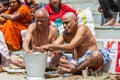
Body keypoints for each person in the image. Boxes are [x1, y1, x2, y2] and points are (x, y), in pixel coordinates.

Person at [34, 12, 111, 74]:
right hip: (75, 62)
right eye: (63, 23)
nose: (64, 26)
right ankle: (76, 69)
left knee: (96, 55)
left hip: (89, 61)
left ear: (76, 21)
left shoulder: (83, 28)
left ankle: (75, 70)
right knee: (54, 56)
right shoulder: (64, 34)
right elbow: (54, 46)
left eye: (67, 23)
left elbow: (71, 46)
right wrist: (43, 49)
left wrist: (49, 46)